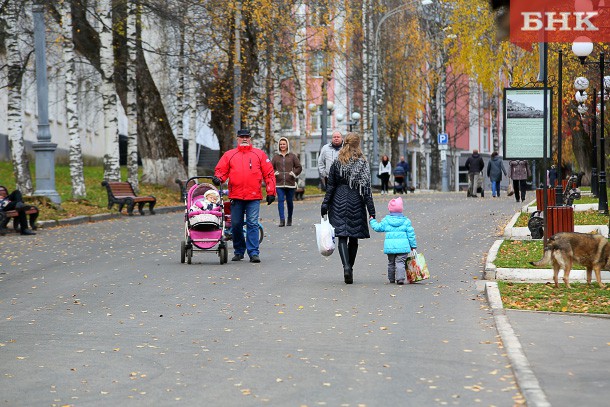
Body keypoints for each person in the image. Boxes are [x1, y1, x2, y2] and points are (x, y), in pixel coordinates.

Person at [213, 128, 276, 263]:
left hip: (253, 196)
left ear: (250, 139)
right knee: (236, 224)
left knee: (252, 223)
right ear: (237, 139)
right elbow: (221, 170)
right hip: (236, 195)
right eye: (242, 137)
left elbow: (269, 173)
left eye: (247, 136)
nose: (245, 139)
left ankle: (253, 253)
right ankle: (239, 251)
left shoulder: (259, 154)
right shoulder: (230, 155)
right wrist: (218, 178)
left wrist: (271, 192)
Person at [320, 133, 376, 284]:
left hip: (338, 200)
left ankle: (345, 267)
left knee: (342, 237)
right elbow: (366, 189)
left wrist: (325, 204)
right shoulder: (362, 163)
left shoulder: (338, 162)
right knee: (354, 238)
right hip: (356, 201)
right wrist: (372, 211)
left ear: (345, 143)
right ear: (358, 144)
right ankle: (350, 266)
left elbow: (331, 185)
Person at [369, 197, 417, 285]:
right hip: (403, 247)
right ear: (401, 209)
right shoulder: (406, 221)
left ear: (390, 209)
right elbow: (411, 235)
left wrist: (372, 220)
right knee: (400, 262)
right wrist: (413, 246)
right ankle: (400, 279)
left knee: (391, 263)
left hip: (390, 247)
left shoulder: (386, 221)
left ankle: (391, 279)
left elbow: (377, 227)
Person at [271, 136, 302, 227]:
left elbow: (299, 167)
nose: (282, 146)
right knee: (280, 200)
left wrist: (294, 173)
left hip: (290, 183)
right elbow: (270, 168)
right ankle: (282, 220)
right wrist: (274, 173)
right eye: (281, 144)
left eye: (284, 144)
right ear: (279, 146)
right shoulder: (276, 157)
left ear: (287, 145)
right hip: (279, 183)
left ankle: (289, 218)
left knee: (289, 201)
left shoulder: (292, 156)